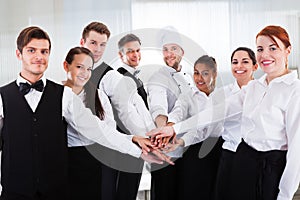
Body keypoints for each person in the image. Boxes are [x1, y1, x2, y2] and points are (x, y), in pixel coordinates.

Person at [0, 26, 171, 200]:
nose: (39, 57)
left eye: (44, 51)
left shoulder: (64, 95)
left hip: (54, 191)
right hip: (14, 191)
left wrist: (136, 147)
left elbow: (97, 129)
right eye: (31, 50)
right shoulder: (1, 97)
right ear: (18, 54)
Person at [147, 25, 300, 200]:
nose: (265, 55)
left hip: (272, 166)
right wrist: (173, 128)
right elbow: (216, 113)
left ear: (288, 50)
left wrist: (285, 195)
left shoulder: (295, 91)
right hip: (244, 161)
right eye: (260, 49)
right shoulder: (255, 87)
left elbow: (297, 151)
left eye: (273, 48)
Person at [80, 22, 156, 200]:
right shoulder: (76, 72)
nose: (97, 49)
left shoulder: (110, 76)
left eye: (102, 44)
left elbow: (128, 112)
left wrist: (147, 140)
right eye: (93, 43)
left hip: (116, 151)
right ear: (82, 41)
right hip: (87, 153)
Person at [166, 55, 223, 200]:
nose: (199, 78)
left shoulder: (223, 97)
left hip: (219, 150)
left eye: (205, 73)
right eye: (196, 73)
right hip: (193, 150)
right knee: (191, 190)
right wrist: (170, 126)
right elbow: (178, 112)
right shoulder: (188, 96)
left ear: (214, 74)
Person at [147, 27, 194, 200]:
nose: (169, 54)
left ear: (182, 51)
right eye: (165, 49)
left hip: (189, 151)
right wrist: (163, 131)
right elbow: (158, 109)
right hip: (167, 154)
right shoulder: (157, 78)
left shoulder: (190, 77)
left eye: (173, 48)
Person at [115, 33, 153, 200]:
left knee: (130, 189)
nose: (135, 55)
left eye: (137, 50)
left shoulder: (134, 77)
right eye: (130, 51)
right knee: (126, 190)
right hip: (130, 144)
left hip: (137, 144)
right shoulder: (121, 77)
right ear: (120, 55)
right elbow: (126, 114)